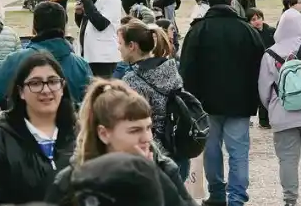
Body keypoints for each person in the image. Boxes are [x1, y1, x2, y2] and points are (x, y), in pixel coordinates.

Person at [179, 0, 264, 206]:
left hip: (206, 103)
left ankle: (217, 192)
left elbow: (187, 69)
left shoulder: (198, 30)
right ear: (230, 2)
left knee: (212, 149)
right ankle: (236, 196)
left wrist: (190, 101)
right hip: (240, 101)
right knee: (238, 150)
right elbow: (259, 67)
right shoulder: (247, 30)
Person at [43, 79, 191, 206]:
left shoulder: (164, 170)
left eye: (148, 128)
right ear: (104, 134)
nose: (147, 138)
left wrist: (154, 177)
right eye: (134, 130)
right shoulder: (72, 181)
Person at [0, 52, 77, 205]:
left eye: (52, 81)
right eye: (35, 83)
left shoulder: (80, 135)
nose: (46, 90)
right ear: (21, 92)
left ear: (62, 87)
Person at [257, 7, 301, 206]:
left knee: (288, 159)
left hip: (283, 114)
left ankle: (290, 200)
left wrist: (272, 107)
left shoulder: (270, 54)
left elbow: (263, 88)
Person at [0, 1, 92, 119]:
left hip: (25, 135)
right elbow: (93, 107)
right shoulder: (81, 65)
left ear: (34, 28)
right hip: (70, 134)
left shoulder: (16, 60)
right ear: (65, 28)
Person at [117, 21, 187, 179]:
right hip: (176, 147)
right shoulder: (171, 69)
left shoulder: (132, 81)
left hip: (151, 153)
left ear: (132, 46)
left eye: (120, 43)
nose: (118, 48)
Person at [74, 0, 123, 79]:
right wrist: (79, 14)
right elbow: (85, 26)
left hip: (103, 57)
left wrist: (87, 1)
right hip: (87, 55)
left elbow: (101, 24)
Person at [247, 8, 275, 129]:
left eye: (259, 18)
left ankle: (272, 117)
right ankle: (263, 120)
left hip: (272, 65)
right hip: (256, 67)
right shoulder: (248, 34)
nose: (257, 21)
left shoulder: (271, 31)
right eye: (253, 20)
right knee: (261, 93)